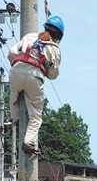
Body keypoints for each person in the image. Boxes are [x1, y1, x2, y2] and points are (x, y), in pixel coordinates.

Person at [8, 15, 64, 154]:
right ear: (58, 35)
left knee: (13, 98)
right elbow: (53, 74)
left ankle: (15, 119)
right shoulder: (55, 49)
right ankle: (28, 142)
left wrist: (18, 65)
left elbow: (11, 52)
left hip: (16, 69)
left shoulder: (30, 36)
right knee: (36, 117)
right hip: (35, 76)